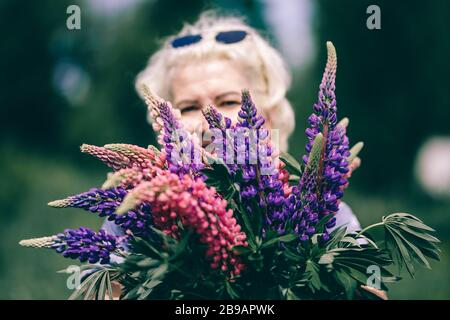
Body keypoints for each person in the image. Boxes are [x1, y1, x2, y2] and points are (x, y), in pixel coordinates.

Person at [100, 11, 385, 299]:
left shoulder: (324, 213)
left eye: (227, 101)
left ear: (269, 117)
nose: (206, 122)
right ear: (165, 122)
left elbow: (372, 293)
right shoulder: (134, 210)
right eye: (187, 107)